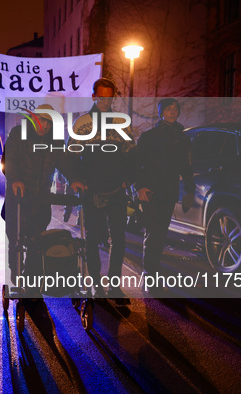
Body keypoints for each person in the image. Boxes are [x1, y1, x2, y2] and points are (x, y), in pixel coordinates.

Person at [69, 78, 136, 299]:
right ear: (94, 97)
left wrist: (128, 178)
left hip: (117, 188)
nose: (106, 101)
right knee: (92, 238)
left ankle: (114, 286)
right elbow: (70, 154)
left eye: (109, 97)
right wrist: (77, 179)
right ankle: (96, 284)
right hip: (92, 189)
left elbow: (130, 154)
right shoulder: (82, 123)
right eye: (102, 97)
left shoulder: (121, 122)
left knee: (118, 238)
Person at [4, 104, 81, 288]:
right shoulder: (17, 134)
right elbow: (9, 160)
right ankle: (15, 270)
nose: (45, 126)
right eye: (42, 121)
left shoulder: (55, 141)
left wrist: (74, 179)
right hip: (19, 199)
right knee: (15, 239)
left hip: (41, 200)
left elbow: (65, 162)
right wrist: (15, 179)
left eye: (49, 122)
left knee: (37, 241)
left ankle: (31, 278)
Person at [136, 98, 195, 293]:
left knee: (160, 234)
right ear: (161, 113)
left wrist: (189, 189)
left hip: (169, 192)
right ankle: (149, 275)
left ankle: (153, 272)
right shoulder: (149, 137)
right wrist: (140, 187)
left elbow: (186, 166)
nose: (172, 111)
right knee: (152, 233)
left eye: (175, 108)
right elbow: (137, 164)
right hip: (151, 192)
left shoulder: (183, 138)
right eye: (168, 109)